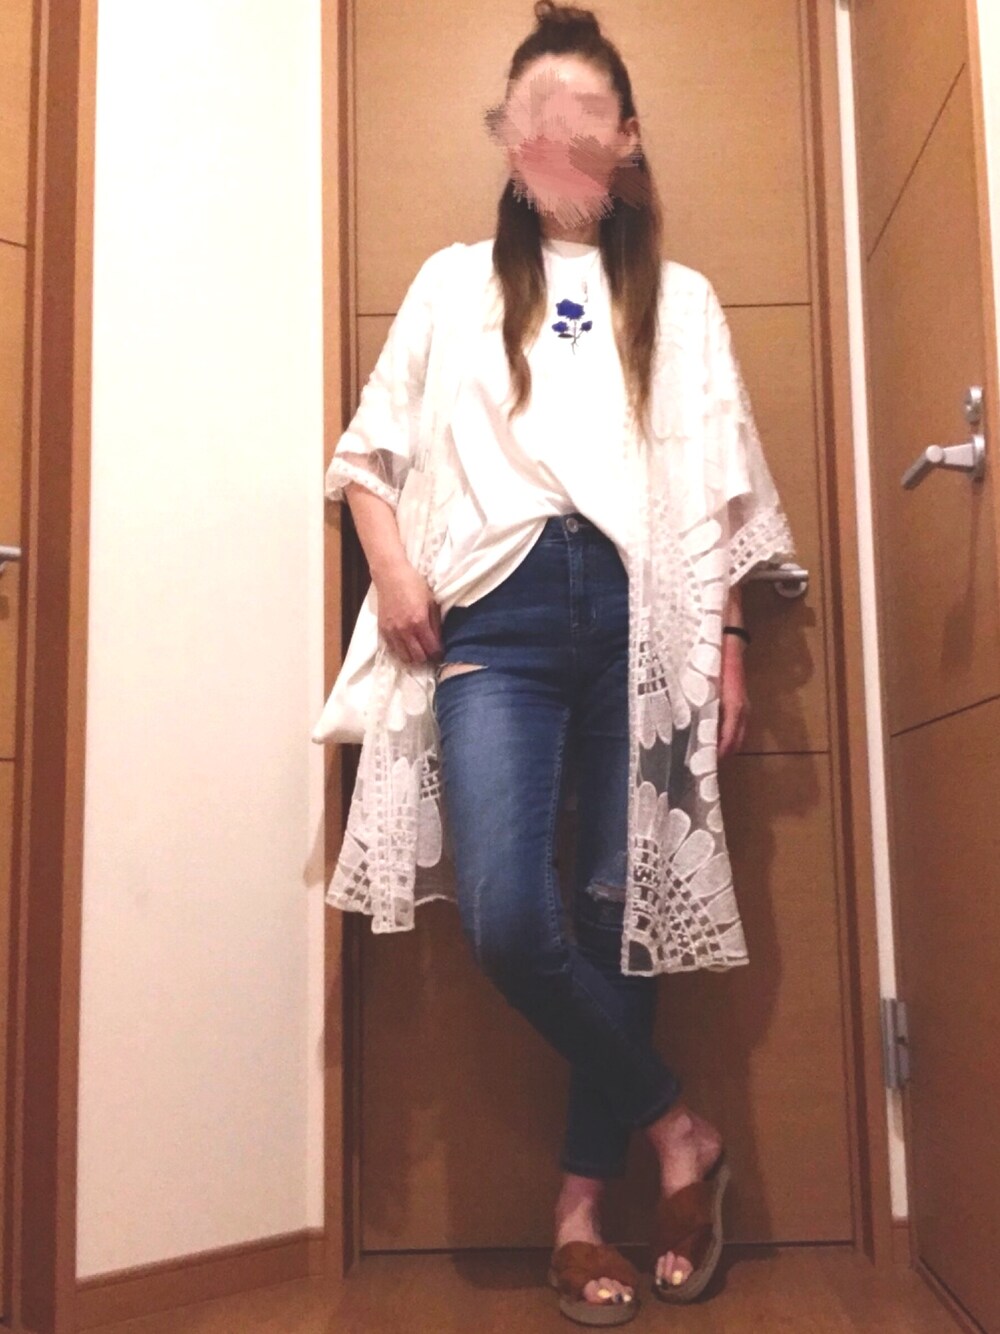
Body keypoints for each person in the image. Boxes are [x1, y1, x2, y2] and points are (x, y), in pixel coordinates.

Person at [322, 2, 796, 1324]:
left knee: (616, 915)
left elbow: (718, 495)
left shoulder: (682, 304)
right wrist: (393, 568)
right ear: (509, 141)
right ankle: (680, 1129)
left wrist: (729, 639)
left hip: (648, 621)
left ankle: (578, 1215)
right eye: (534, 118)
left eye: (585, 117)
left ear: (626, 138)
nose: (559, 138)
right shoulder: (451, 283)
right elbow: (365, 458)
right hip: (499, 619)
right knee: (511, 920)